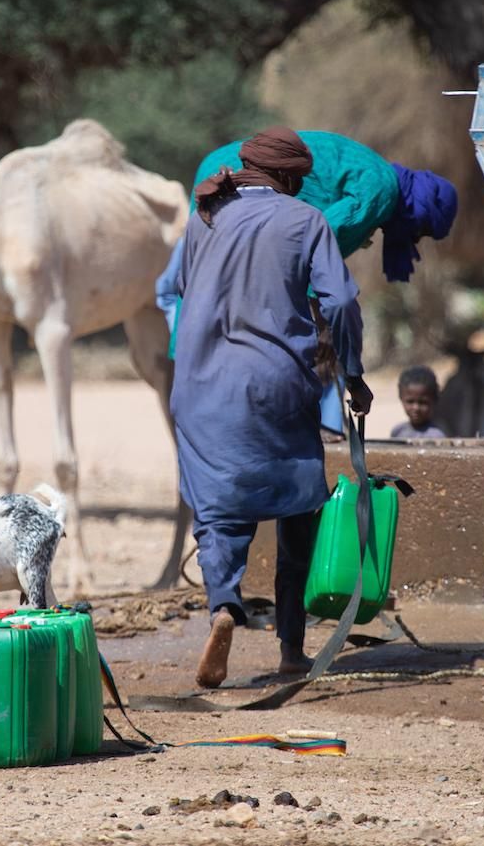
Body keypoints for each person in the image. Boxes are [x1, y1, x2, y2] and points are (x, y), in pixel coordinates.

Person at [170, 127, 371, 689]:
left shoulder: (201, 219)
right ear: (286, 178)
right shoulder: (306, 221)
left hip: (200, 390)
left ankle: (223, 609)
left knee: (216, 513)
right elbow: (342, 300)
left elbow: (185, 289)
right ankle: (290, 649)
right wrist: (352, 372)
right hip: (276, 386)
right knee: (297, 508)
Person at [158, 130, 456, 433]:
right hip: (236, 177)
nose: (416, 238)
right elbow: (319, 238)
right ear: (422, 210)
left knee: (209, 295)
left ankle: (194, 377)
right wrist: (324, 327)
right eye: (423, 230)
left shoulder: (377, 175)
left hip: (219, 170)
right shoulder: (382, 192)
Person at [391, 365, 444, 439]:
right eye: (410, 401)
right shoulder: (398, 431)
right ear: (401, 398)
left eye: (422, 402)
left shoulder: (437, 436)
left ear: (434, 399)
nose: (416, 408)